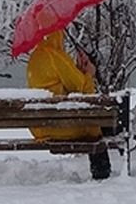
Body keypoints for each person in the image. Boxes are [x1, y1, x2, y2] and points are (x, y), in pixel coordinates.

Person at [27, 30, 112, 180]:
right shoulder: (55, 56)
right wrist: (89, 73)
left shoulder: (34, 58)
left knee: (100, 123)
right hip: (61, 126)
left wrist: (79, 72)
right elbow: (80, 89)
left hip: (41, 128)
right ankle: (102, 172)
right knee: (96, 125)